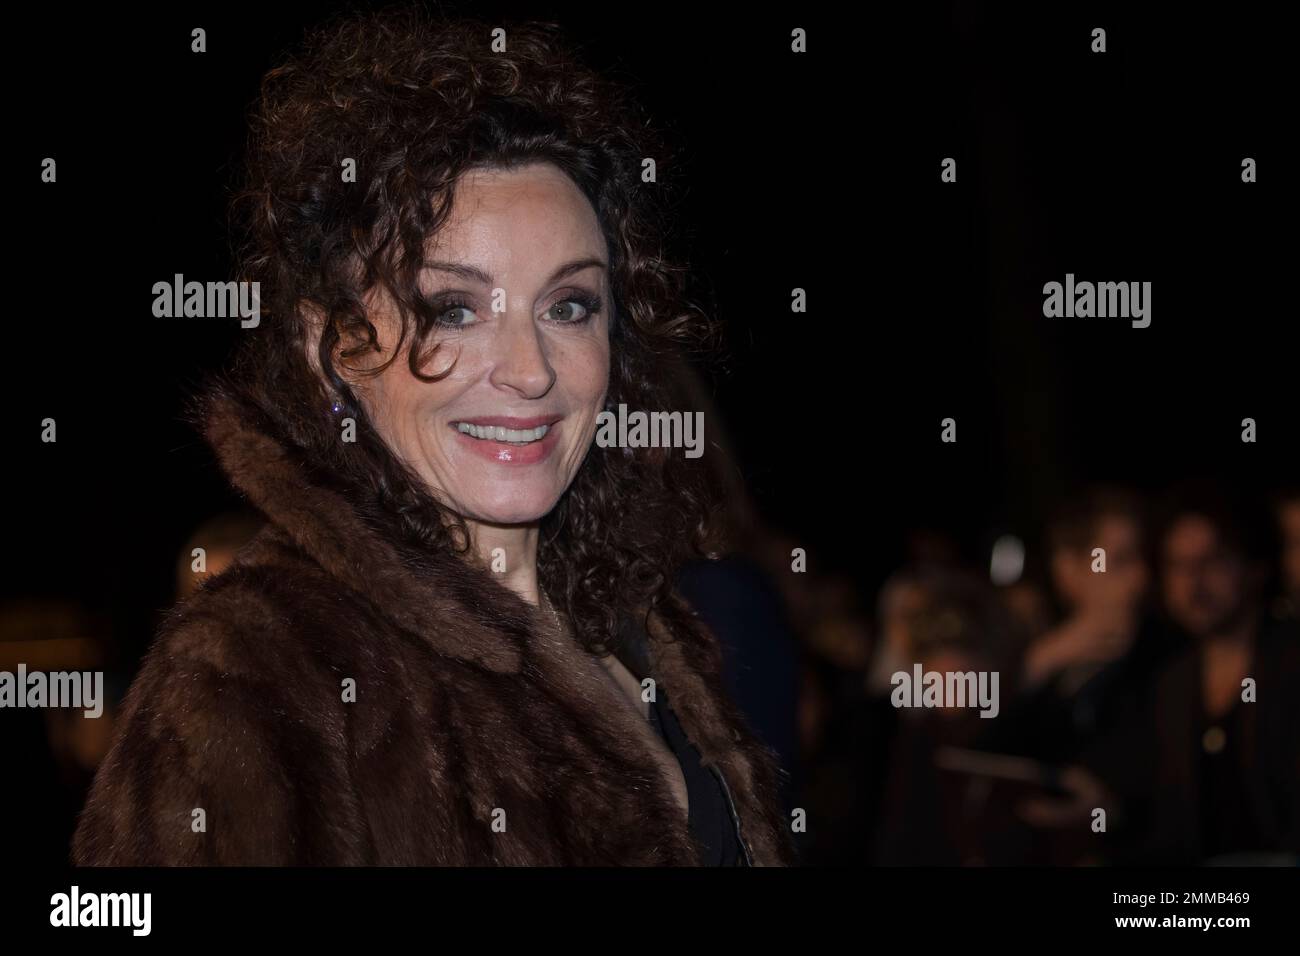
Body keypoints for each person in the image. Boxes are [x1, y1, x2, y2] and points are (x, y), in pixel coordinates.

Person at [72, 9, 793, 866]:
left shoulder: (646, 625)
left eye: (569, 306)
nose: (530, 370)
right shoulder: (256, 676)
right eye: (454, 309)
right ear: (333, 346)